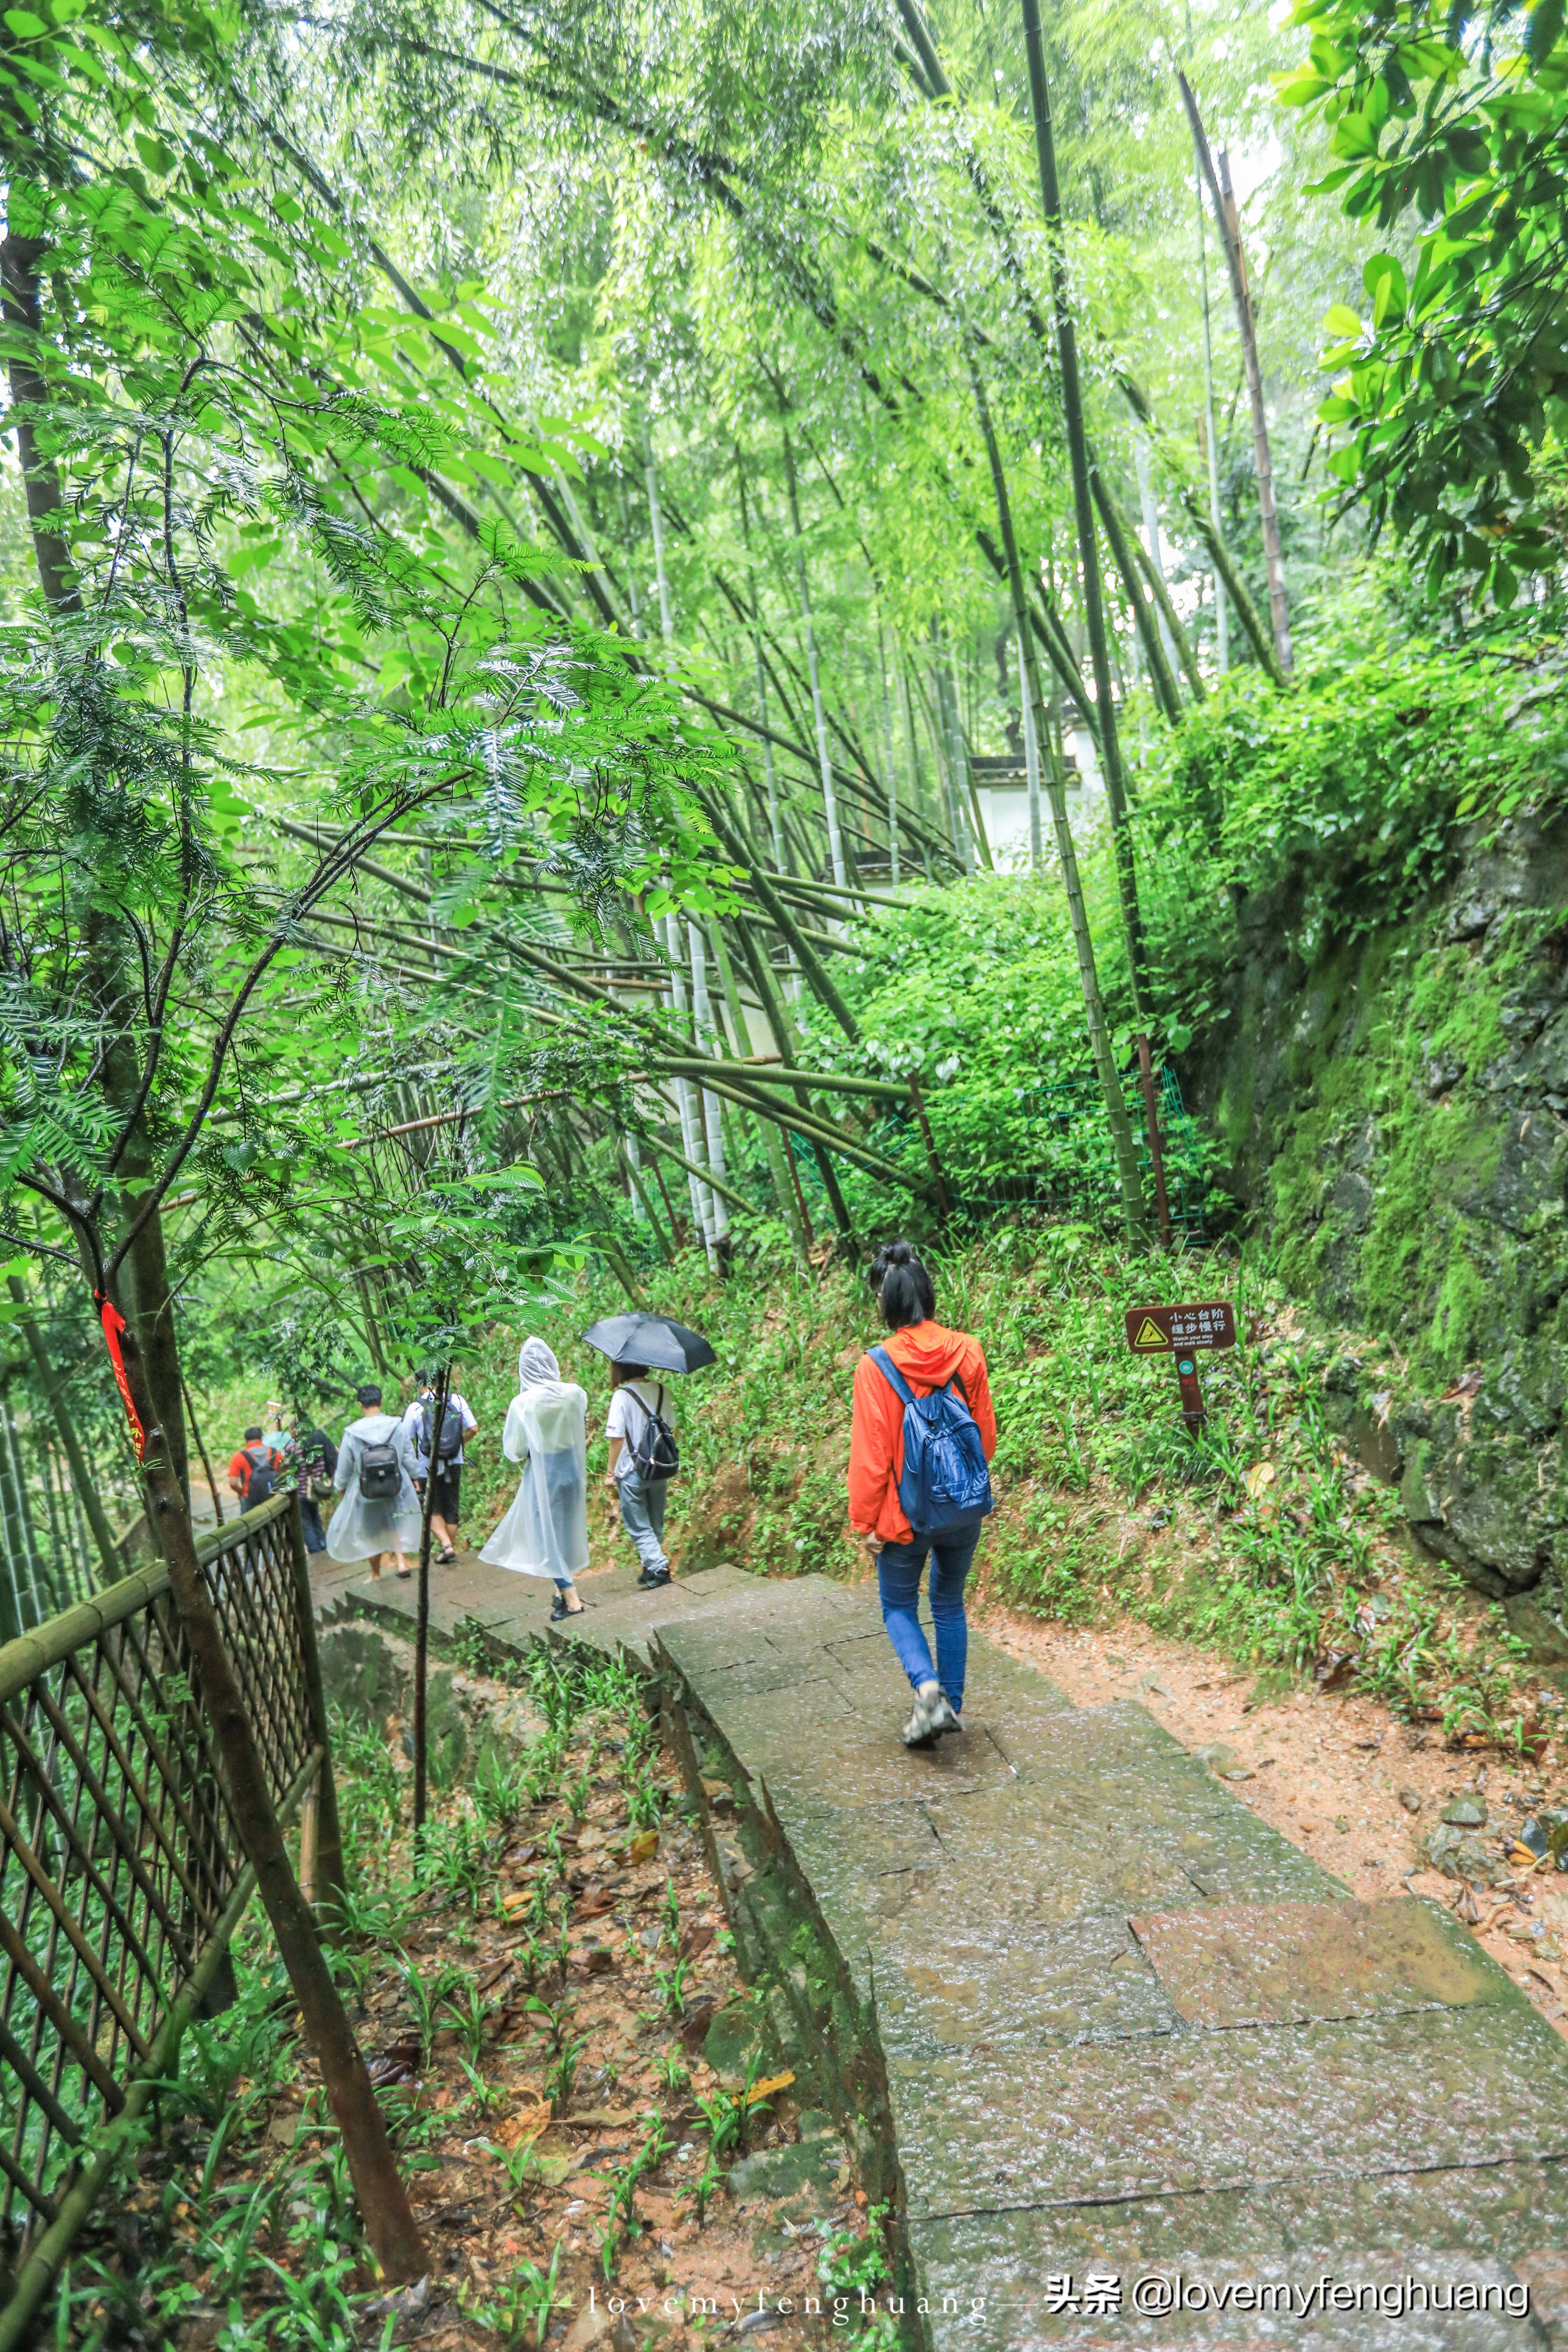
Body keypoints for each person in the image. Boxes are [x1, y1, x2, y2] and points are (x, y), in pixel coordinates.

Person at [848, 1240, 996, 1748]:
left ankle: (929, 1692)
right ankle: (949, 1704)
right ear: (927, 1293)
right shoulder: (968, 1350)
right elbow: (984, 1436)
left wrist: (866, 1524)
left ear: (886, 1302)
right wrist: (959, 1485)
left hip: (902, 1517)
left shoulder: (875, 1366)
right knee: (949, 1603)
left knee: (898, 1607)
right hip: (962, 1506)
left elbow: (871, 1457)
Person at [480, 1338, 589, 1619]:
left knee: (545, 1540)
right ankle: (559, 1593)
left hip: (544, 1477)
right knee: (564, 1533)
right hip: (572, 1471)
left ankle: (572, 1599)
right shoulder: (575, 1393)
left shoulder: (523, 1404)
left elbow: (515, 1451)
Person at [327, 1383, 420, 1580]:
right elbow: (408, 1455)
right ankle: (402, 1563)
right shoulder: (397, 1426)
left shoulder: (353, 1433)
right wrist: (415, 1477)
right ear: (381, 1401)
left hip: (365, 1491)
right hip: (396, 1486)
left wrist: (340, 1487)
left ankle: (376, 1574)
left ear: (361, 1405)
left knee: (370, 1532)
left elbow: (345, 1465)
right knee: (396, 1523)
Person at [604, 1360, 674, 1590]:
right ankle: (649, 1566)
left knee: (639, 1526)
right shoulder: (662, 1390)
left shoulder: (622, 1396)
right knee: (655, 1523)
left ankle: (659, 1567)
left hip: (631, 1470)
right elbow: (669, 1427)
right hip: (659, 1467)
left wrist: (610, 1472)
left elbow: (616, 1438)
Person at [409, 1374, 478, 1564]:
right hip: (454, 1462)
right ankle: (448, 1549)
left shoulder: (416, 1408)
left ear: (421, 1385)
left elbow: (407, 1438)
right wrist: (459, 1445)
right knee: (451, 1507)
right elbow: (473, 1428)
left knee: (431, 1507)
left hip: (426, 1466)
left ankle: (447, 1546)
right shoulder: (456, 1400)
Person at [289, 1415, 339, 1556]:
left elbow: (288, 1470)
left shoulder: (292, 1448)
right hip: (315, 1489)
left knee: (305, 1522)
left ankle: (315, 1550)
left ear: (295, 1430)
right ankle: (323, 1543)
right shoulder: (317, 1445)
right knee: (315, 1516)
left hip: (301, 1491)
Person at [227, 1425, 276, 1514]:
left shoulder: (239, 1457)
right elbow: (283, 1474)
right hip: (273, 1498)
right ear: (261, 1439)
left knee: (249, 1522)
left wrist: (242, 1493)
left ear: (246, 1441)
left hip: (249, 1499)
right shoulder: (276, 1454)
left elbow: (233, 1483)